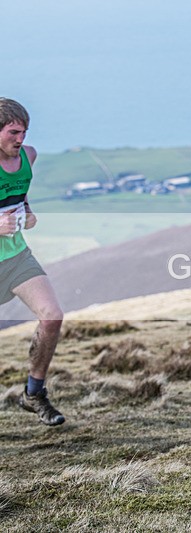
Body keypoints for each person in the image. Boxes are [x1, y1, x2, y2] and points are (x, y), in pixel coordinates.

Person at [0, 97, 65, 426]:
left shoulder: (28, 156)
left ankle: (33, 393)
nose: (20, 139)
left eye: (24, 132)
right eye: (13, 132)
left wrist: (27, 207)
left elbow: (18, 188)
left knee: (52, 316)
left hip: (16, 256)